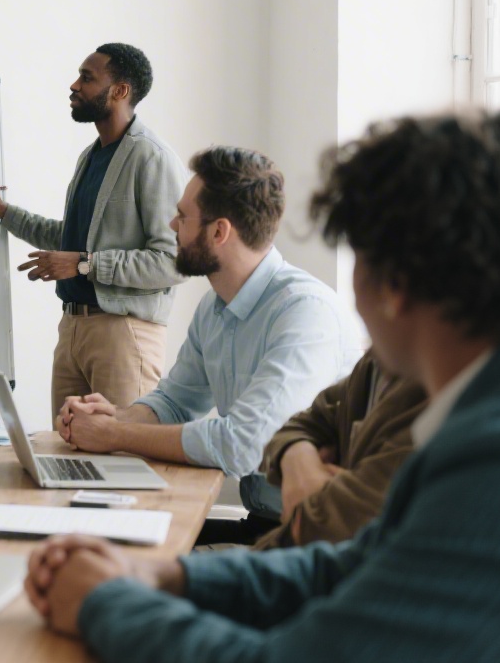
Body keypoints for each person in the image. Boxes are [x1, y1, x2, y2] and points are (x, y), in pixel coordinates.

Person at [25, 109, 500, 661]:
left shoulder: (498, 459)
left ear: (395, 285)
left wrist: (103, 601)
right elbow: (341, 566)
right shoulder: (474, 408)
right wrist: (159, 576)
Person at [59, 146, 358, 523]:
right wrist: (115, 417)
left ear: (219, 232)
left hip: (317, 536)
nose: (172, 225)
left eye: (183, 216)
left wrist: (115, 435)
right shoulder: (214, 307)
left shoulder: (305, 312)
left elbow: (244, 445)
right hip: (264, 521)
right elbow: (174, 402)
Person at [0, 43, 184, 417]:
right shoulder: (92, 156)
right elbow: (72, 239)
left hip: (123, 332)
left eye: (86, 77)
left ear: (120, 91)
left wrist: (83, 264)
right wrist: (2, 211)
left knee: (120, 448)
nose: (74, 85)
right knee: (63, 446)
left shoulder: (152, 158)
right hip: (73, 328)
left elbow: (172, 262)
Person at [254, 349, 427, 550]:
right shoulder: (373, 364)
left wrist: (309, 505)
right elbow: (296, 427)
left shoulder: (431, 386)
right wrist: (299, 459)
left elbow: (332, 524)